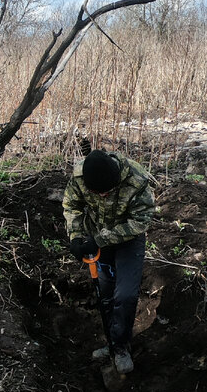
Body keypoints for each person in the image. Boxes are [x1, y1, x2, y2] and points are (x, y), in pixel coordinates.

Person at [62, 148, 157, 374]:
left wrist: (100, 239)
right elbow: (71, 206)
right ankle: (112, 344)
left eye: (107, 192)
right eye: (97, 193)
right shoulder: (79, 177)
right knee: (105, 294)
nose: (103, 196)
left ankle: (122, 347)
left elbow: (140, 221)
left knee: (124, 295)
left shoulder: (137, 179)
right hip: (97, 239)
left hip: (128, 239)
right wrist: (76, 237)